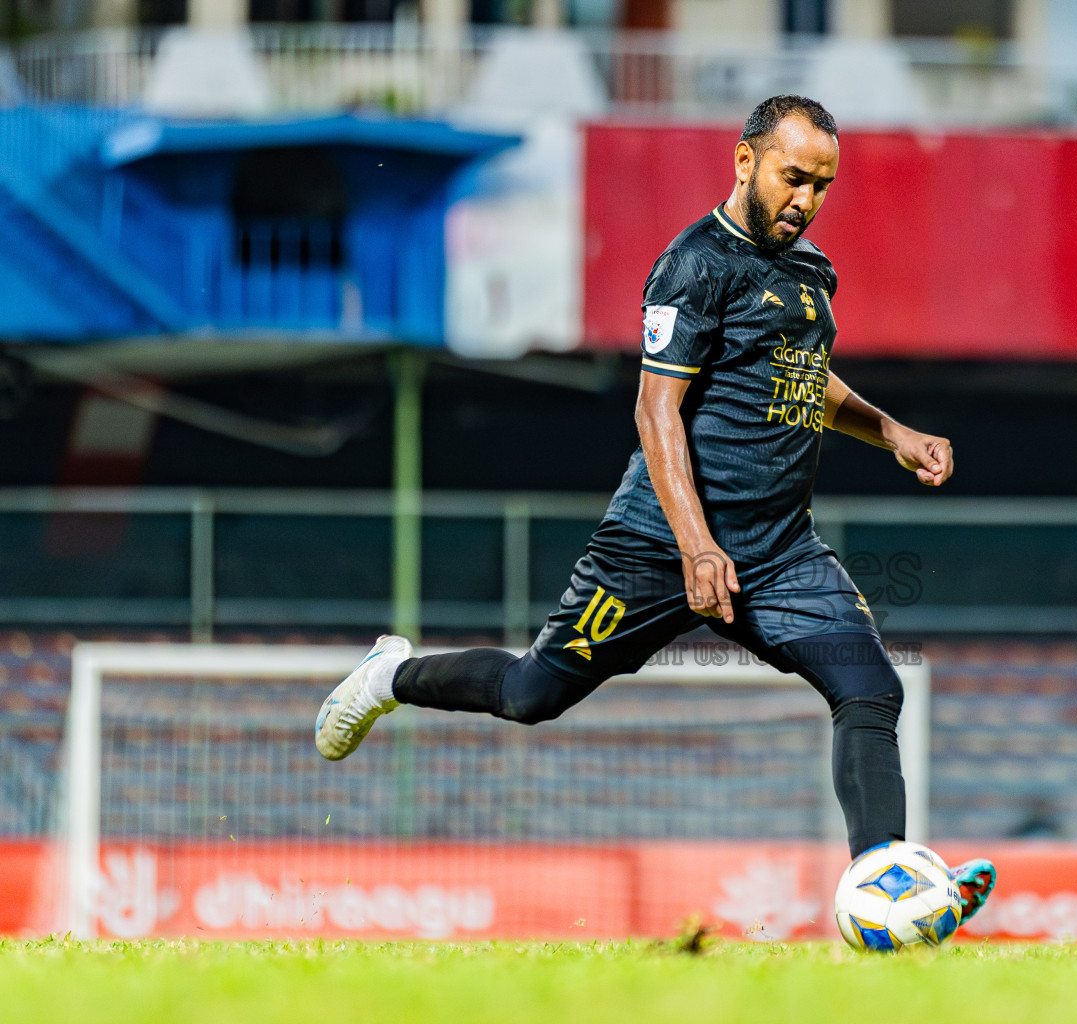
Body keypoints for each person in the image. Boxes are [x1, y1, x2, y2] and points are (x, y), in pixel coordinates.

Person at [315, 94, 996, 926]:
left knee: (870, 688)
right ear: (745, 161)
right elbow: (655, 411)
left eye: (821, 185)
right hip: (656, 546)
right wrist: (697, 546)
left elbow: (804, 377)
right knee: (532, 693)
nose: (805, 200)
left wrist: (891, 431)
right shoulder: (693, 265)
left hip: (779, 552)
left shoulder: (812, 271)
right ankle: (389, 676)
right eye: (792, 177)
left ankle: (885, 885)